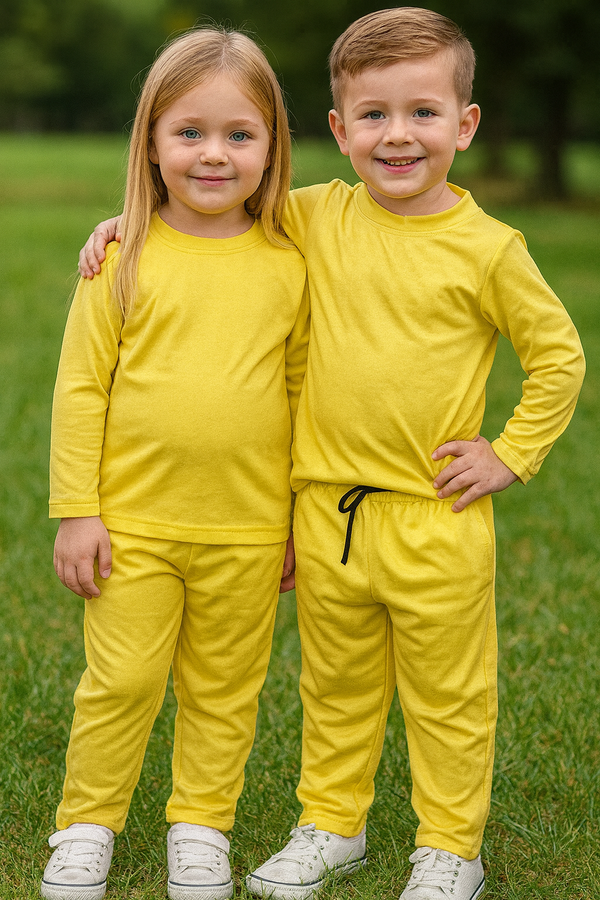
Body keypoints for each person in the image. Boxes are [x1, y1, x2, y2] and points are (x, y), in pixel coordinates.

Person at [79, 8, 585, 900]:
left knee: (448, 697)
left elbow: (560, 356)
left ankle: (449, 848)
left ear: (464, 126)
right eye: (374, 116)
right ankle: (331, 824)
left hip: (434, 513)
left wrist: (511, 453)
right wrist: (121, 226)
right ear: (337, 131)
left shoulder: (491, 249)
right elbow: (210, 210)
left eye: (424, 113)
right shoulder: (310, 218)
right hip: (326, 514)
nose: (399, 136)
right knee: (336, 688)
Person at [43, 27, 308, 900]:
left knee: (225, 691)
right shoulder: (122, 257)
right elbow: (82, 390)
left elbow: (305, 395)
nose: (213, 154)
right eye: (188, 132)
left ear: (272, 147)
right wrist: (78, 509)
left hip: (250, 524)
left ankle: (201, 826)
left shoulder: (291, 261)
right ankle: (87, 826)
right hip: (133, 524)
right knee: (120, 680)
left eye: (240, 134)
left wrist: (298, 517)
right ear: (150, 144)